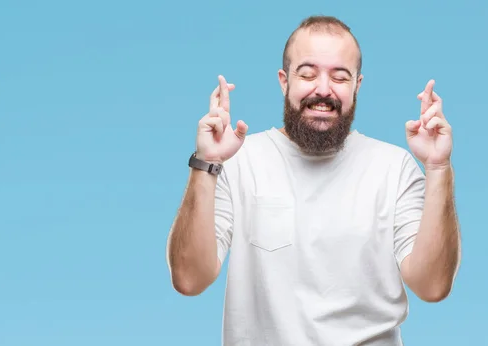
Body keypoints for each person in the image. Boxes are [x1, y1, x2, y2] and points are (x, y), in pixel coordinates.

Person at [166, 15, 461, 346]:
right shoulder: (238, 161)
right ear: (284, 80)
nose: (323, 89)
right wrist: (207, 162)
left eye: (340, 77)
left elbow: (433, 286)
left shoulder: (394, 168)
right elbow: (190, 279)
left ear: (357, 85)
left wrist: (437, 167)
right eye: (307, 74)